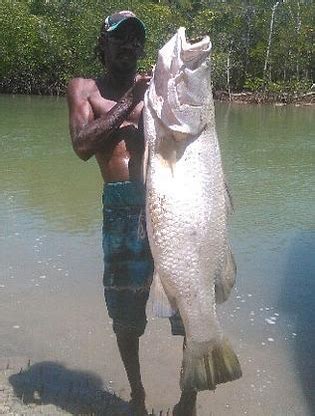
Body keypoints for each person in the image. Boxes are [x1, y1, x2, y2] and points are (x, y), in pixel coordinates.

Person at [67, 11, 196, 416]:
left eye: (137, 39)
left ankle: (188, 398)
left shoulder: (160, 89)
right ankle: (138, 394)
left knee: (189, 307)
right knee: (125, 314)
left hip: (170, 204)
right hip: (121, 206)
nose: (130, 45)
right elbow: (82, 146)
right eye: (121, 38)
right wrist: (128, 102)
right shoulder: (84, 89)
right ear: (103, 44)